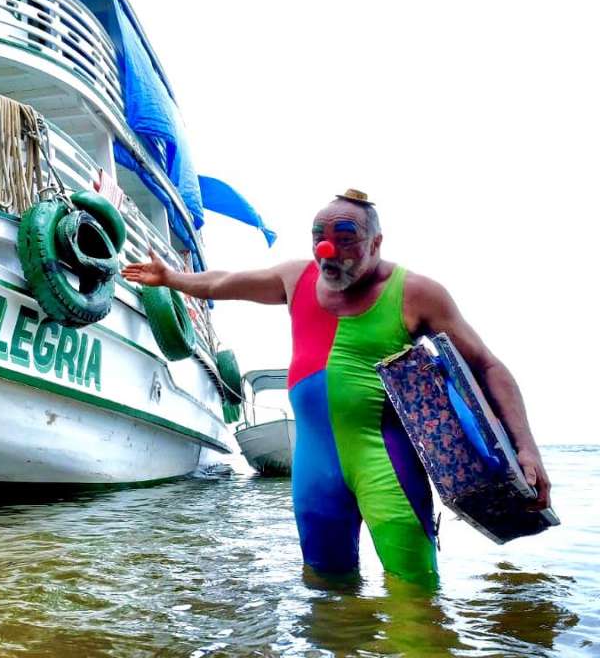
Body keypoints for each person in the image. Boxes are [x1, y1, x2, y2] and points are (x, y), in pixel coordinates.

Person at [121, 189, 551, 584]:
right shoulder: (296, 278)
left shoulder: (415, 293)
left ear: (376, 243)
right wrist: (171, 278)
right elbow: (222, 283)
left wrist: (525, 448)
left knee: (415, 597)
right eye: (318, 237)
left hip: (386, 464)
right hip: (314, 468)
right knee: (327, 597)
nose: (328, 250)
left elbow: (487, 366)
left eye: (346, 237)